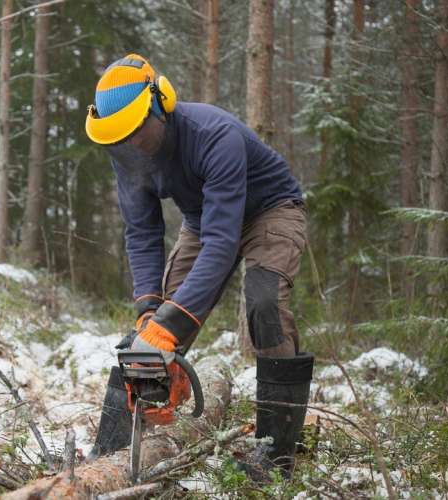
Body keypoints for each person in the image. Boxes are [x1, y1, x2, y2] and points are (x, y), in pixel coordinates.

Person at [85, 54, 314, 481]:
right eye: (119, 136)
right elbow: (142, 233)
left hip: (271, 210)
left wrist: (169, 324)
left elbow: (222, 243)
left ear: (161, 104)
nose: (130, 143)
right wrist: (150, 310)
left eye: (136, 130)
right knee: (152, 329)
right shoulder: (124, 154)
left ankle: (276, 454)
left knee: (264, 304)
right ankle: (111, 450)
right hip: (204, 218)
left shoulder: (213, 134)